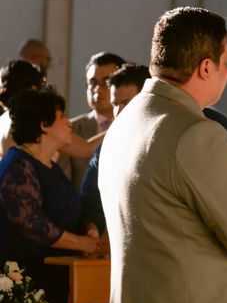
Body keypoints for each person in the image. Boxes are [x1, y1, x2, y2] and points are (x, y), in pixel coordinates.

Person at [98, 6, 227, 303]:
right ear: (206, 67)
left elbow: (169, 226)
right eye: (226, 61)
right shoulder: (198, 135)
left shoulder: (124, 123)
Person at [0, 87, 99, 303]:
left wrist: (88, 228)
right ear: (44, 125)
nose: (69, 123)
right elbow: (31, 223)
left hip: (53, 281)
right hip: (25, 282)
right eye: (62, 117)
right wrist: (79, 243)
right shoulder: (18, 166)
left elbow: (68, 211)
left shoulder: (50, 167)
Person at [80, 63, 151, 238]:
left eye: (126, 103)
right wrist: (92, 229)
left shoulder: (177, 136)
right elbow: (91, 199)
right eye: (115, 104)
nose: (118, 113)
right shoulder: (109, 145)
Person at [0, 60, 102, 160]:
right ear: (33, 88)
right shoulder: (29, 122)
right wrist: (118, 122)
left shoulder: (3, 121)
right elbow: (87, 149)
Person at [58, 52, 125, 191]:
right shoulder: (70, 128)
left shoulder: (135, 126)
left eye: (106, 82)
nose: (98, 89)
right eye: (93, 82)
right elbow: (63, 184)